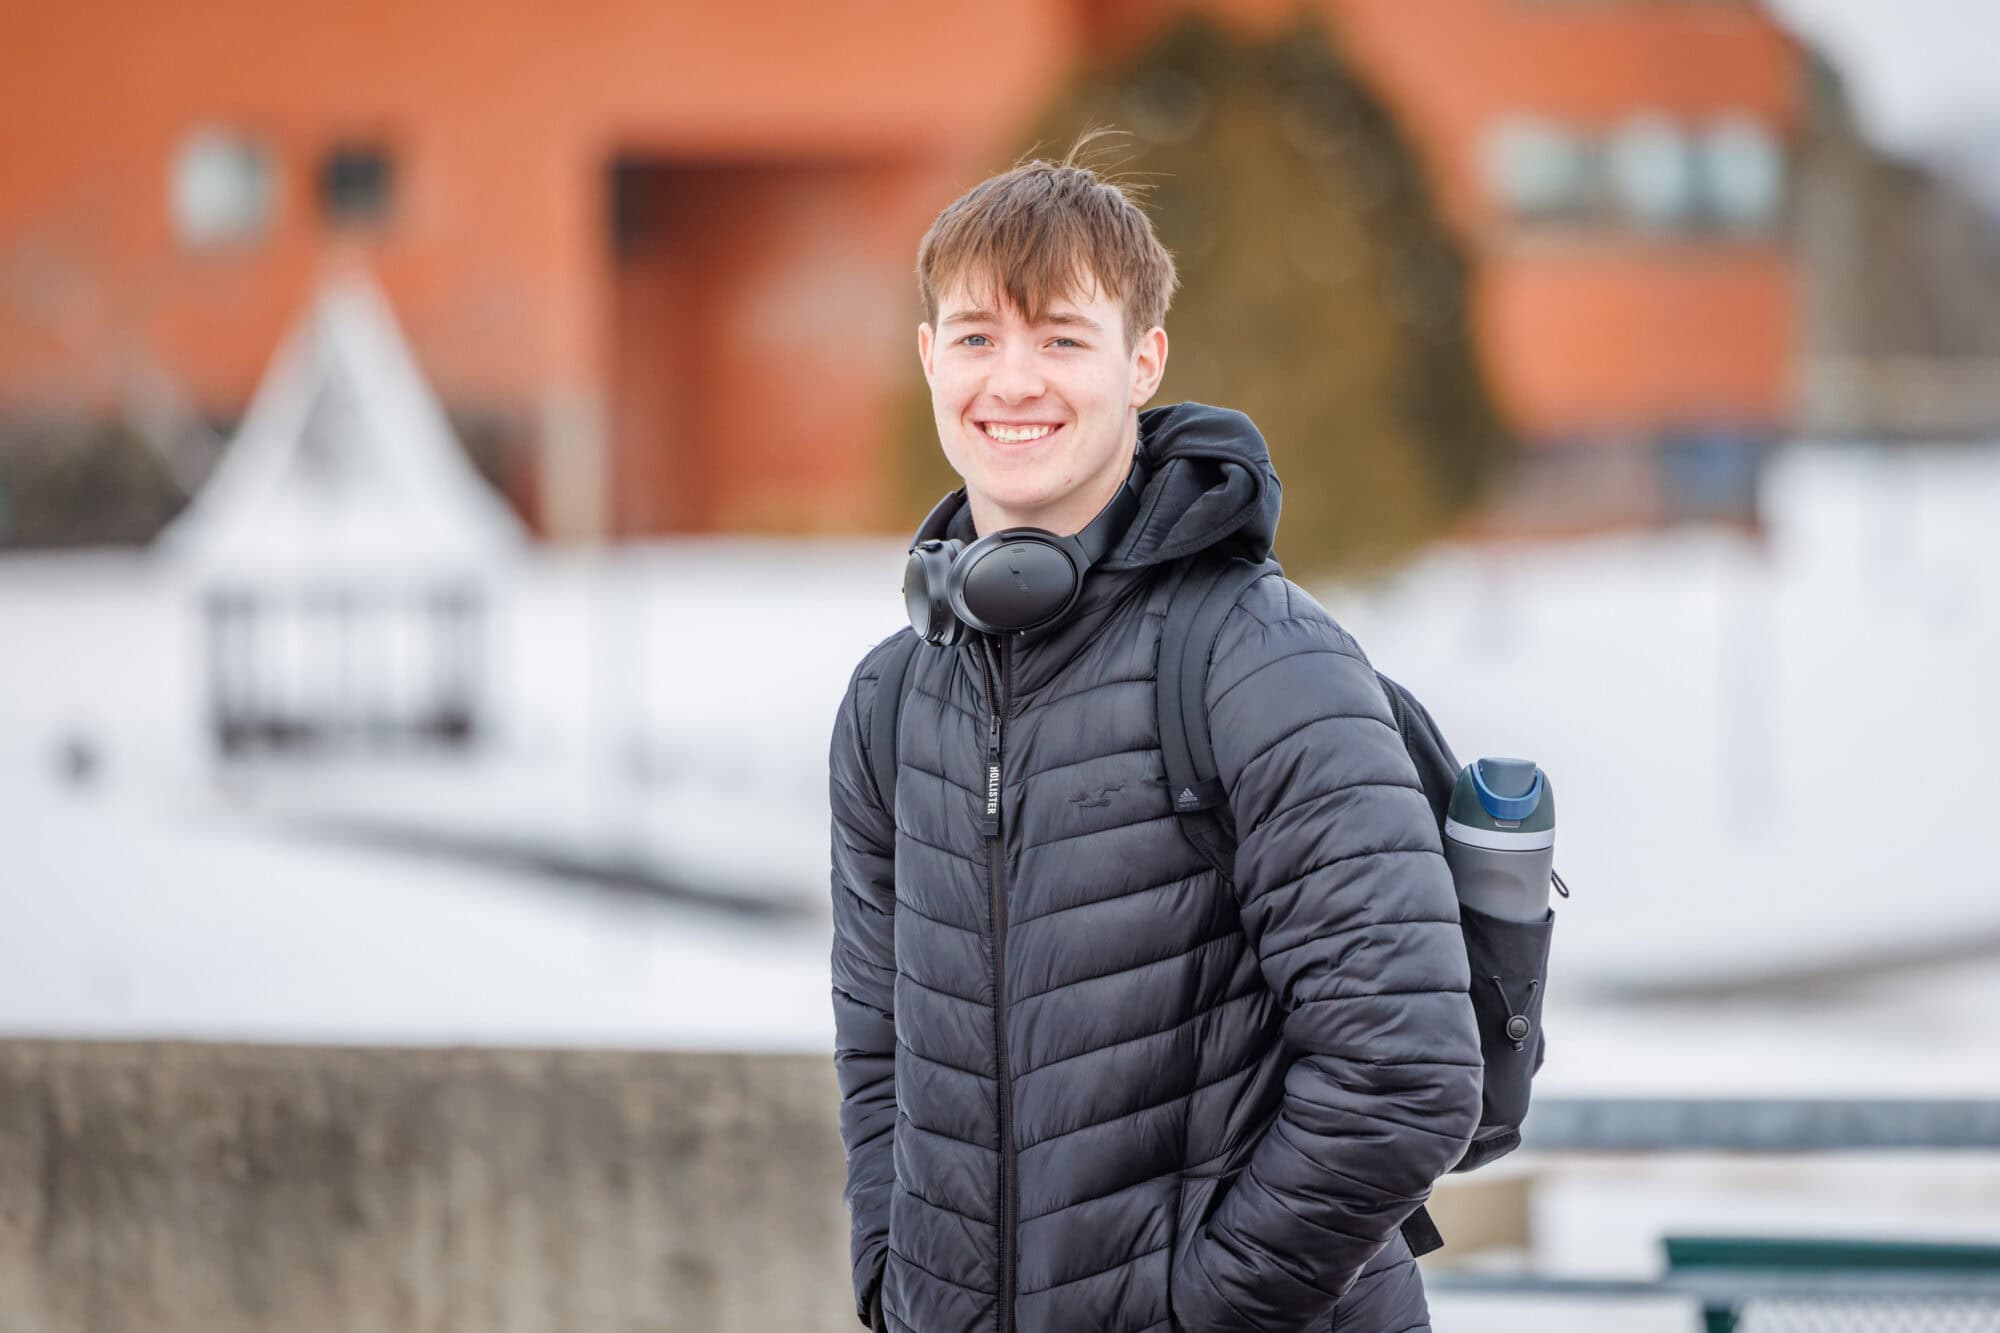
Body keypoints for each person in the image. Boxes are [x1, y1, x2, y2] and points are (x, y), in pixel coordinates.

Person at [828, 141, 1484, 1333]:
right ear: (928, 358)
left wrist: (1197, 1314)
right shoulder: (888, 703)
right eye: (975, 336)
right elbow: (878, 1051)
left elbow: (1403, 1074)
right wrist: (891, 1281)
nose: (1010, 380)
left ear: (1142, 363)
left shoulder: (1257, 662)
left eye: (1061, 339)